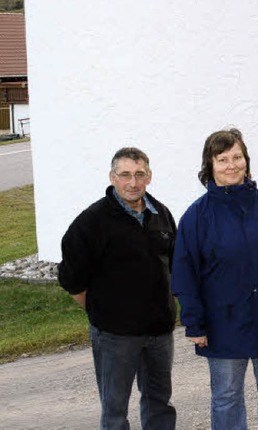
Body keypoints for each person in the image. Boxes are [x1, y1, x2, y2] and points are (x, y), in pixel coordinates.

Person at [171, 128, 258, 430]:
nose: (231, 165)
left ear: (246, 161)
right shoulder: (197, 216)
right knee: (226, 398)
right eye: (222, 159)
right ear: (210, 165)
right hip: (222, 324)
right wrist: (194, 322)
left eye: (237, 157)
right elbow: (184, 273)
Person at [58, 147, 177, 430]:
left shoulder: (161, 213)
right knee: (114, 411)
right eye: (125, 175)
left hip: (159, 332)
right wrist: (102, 310)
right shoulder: (91, 222)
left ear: (149, 176)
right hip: (115, 336)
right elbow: (72, 278)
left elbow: (173, 264)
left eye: (139, 174)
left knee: (159, 403)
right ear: (112, 177)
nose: (133, 183)